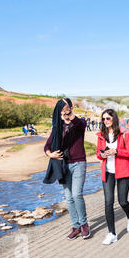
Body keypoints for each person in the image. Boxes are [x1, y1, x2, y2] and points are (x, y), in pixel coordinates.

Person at [43, 98, 90, 240]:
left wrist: (70, 116)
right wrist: (51, 154)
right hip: (63, 165)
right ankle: (75, 226)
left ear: (71, 107)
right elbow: (47, 146)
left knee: (76, 195)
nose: (64, 112)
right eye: (62, 109)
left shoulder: (79, 123)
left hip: (78, 163)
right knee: (69, 198)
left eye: (66, 108)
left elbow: (81, 124)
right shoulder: (58, 127)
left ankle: (84, 225)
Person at [96, 109, 129, 245]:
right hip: (107, 172)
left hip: (123, 171)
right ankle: (112, 233)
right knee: (108, 203)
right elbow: (98, 154)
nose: (105, 121)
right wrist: (103, 154)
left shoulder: (124, 133)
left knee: (122, 201)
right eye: (103, 119)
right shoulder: (101, 134)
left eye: (108, 118)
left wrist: (116, 151)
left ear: (114, 119)